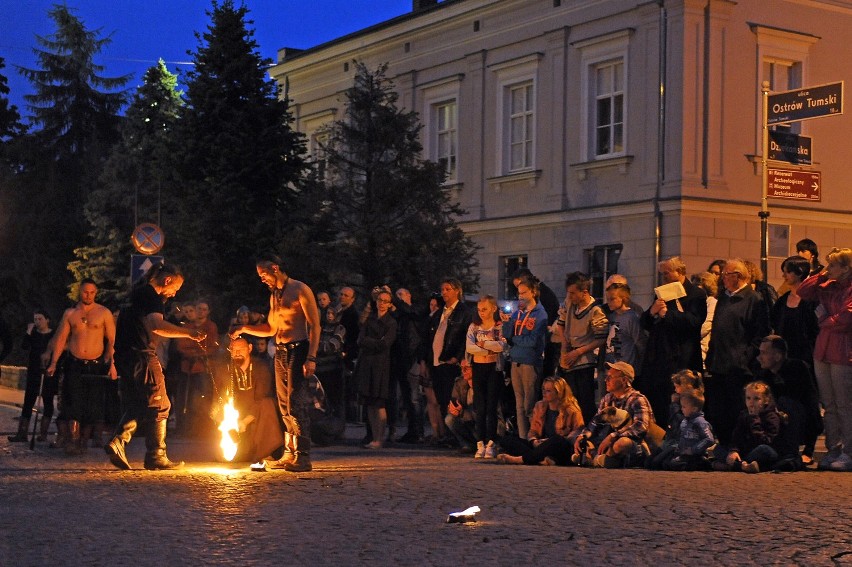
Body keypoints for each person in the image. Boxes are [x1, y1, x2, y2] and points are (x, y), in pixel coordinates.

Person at [106, 263, 205, 470]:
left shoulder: (135, 293)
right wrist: (189, 333)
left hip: (124, 355)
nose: (174, 293)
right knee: (160, 404)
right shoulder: (151, 296)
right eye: (175, 288)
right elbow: (157, 326)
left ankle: (118, 442)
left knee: (138, 403)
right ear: (167, 280)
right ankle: (156, 456)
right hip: (141, 355)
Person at [229, 254, 321, 472]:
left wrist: (311, 357)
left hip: (298, 350)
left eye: (263, 274)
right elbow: (270, 329)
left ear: (275, 268)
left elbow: (315, 326)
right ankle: (289, 452)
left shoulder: (300, 289)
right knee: (283, 403)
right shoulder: (274, 296)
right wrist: (244, 329)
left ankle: (303, 456)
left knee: (296, 403)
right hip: (279, 351)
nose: (262, 279)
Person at [47, 279, 117, 455]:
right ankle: (74, 440)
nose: (88, 295)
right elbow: (62, 338)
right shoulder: (70, 313)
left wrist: (113, 365)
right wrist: (54, 362)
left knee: (92, 403)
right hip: (75, 362)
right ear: (80, 291)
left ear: (96, 293)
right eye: (86, 292)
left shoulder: (104, 313)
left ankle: (85, 440)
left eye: (92, 292)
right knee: (74, 402)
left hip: (95, 364)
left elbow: (112, 340)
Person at [797, 247, 852, 471]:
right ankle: (833, 449)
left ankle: (848, 451)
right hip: (823, 349)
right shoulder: (827, 285)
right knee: (828, 404)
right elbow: (803, 290)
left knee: (844, 404)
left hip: (843, 351)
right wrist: (821, 274)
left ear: (846, 268)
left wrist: (825, 321)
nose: (828, 269)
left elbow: (846, 318)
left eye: (832, 265)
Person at [705, 258, 771, 444]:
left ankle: (739, 446)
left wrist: (745, 357)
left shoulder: (754, 300)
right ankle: (725, 445)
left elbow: (760, 333)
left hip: (739, 367)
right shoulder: (724, 298)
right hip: (719, 363)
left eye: (727, 274)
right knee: (719, 410)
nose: (723, 278)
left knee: (736, 409)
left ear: (739, 276)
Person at [638, 257, 706, 426]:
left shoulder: (696, 294)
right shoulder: (662, 292)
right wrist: (652, 312)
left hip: (682, 356)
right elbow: (646, 323)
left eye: (667, 273)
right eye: (662, 274)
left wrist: (667, 315)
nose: (664, 277)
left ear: (680, 272)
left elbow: (693, 322)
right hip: (660, 356)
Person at [572, 361, 654, 468]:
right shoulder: (607, 399)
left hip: (633, 444)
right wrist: (582, 436)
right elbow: (595, 422)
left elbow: (641, 426)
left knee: (622, 443)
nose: (606, 380)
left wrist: (614, 436)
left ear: (624, 380)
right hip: (608, 442)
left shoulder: (638, 399)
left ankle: (599, 459)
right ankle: (602, 459)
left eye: (610, 377)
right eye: (606, 377)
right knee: (585, 443)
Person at [757, 335, 822, 467]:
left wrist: (808, 450)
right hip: (776, 423)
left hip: (800, 421)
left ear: (777, 356)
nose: (760, 357)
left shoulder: (797, 369)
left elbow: (810, 403)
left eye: (764, 353)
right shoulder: (764, 375)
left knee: (785, 403)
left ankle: (791, 454)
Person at [497, 376, 583, 466]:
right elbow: (533, 431)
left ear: (559, 393)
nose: (544, 393)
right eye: (543, 389)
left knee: (557, 440)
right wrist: (534, 441)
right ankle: (539, 460)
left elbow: (577, 433)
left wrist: (548, 441)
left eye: (548, 391)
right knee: (507, 440)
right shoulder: (540, 406)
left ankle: (520, 460)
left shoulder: (571, 410)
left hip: (560, 447)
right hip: (541, 446)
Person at [502, 275, 548, 439]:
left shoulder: (540, 314)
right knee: (519, 405)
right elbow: (507, 335)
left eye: (524, 292)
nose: (520, 296)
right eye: (518, 293)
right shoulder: (518, 313)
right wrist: (507, 323)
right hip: (516, 362)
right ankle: (523, 439)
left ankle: (533, 438)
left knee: (529, 405)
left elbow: (533, 341)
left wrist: (514, 339)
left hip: (530, 362)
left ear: (533, 292)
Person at [559, 271, 609, 424]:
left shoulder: (596, 311)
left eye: (573, 293)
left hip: (584, 361)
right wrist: (564, 347)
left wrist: (578, 352)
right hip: (568, 357)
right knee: (568, 400)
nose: (571, 297)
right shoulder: (570, 304)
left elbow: (601, 339)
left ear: (584, 292)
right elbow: (561, 324)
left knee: (584, 402)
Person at [426, 278, 471, 442]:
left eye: (447, 289)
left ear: (457, 290)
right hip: (437, 362)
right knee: (441, 398)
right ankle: (446, 434)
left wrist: (456, 357)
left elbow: (466, 336)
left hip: (450, 362)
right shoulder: (440, 313)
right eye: (442, 289)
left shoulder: (463, 312)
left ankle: (455, 435)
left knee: (452, 399)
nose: (444, 292)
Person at [718, 381, 798, 474]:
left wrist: (754, 419)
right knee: (718, 448)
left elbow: (765, 441)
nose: (751, 402)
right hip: (747, 451)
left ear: (766, 400)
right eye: (748, 398)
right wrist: (733, 451)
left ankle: (734, 465)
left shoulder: (772, 417)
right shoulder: (744, 414)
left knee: (764, 450)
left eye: (756, 399)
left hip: (766, 449)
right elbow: (737, 436)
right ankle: (742, 465)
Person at [227, 338, 284, 463]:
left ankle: (269, 451)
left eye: (241, 349)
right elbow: (221, 397)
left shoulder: (260, 367)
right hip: (239, 414)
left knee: (267, 404)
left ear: (250, 348)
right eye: (234, 350)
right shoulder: (227, 369)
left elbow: (261, 397)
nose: (237, 353)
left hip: (257, 413)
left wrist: (245, 422)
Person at [356, 288, 397, 449]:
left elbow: (385, 343)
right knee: (370, 402)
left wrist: (370, 342)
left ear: (390, 304)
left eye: (385, 301)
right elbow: (360, 340)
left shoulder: (391, 322)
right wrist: (374, 342)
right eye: (380, 300)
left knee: (379, 402)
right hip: (367, 363)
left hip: (381, 364)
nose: (382, 304)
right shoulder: (370, 319)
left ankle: (380, 437)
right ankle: (373, 436)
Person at [465, 295, 506, 459]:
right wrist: (488, 349)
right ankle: (480, 442)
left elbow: (501, 346)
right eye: (479, 309)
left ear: (493, 308)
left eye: (485, 309)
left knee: (491, 407)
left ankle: (491, 442)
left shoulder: (499, 326)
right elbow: (470, 347)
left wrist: (483, 345)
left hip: (493, 369)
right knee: (479, 407)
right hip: (478, 367)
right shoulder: (474, 327)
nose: (481, 312)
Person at [8, 309, 55, 443]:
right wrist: (28, 332)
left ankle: (43, 433)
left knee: (48, 400)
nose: (37, 322)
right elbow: (24, 346)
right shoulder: (33, 334)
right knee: (28, 401)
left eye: (40, 319)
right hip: (33, 370)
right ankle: (22, 433)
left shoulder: (53, 335)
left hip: (48, 372)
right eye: (35, 319)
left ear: (47, 320)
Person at [771, 255, 819, 369]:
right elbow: (775, 324)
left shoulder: (812, 300)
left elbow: (815, 330)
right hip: (784, 355)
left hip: (806, 357)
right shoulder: (782, 301)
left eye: (787, 272)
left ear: (799, 273)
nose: (783, 276)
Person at [659, 390, 715, 471]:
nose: (681, 409)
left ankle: (702, 463)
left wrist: (693, 450)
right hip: (684, 453)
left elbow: (709, 439)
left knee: (676, 464)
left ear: (694, 409)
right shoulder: (685, 421)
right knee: (666, 463)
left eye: (684, 407)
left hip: (696, 454)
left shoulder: (700, 422)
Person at [603, 282, 643, 369]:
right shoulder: (612, 316)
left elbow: (640, 343)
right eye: (607, 299)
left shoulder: (631, 318)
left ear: (624, 299)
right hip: (613, 366)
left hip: (626, 367)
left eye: (612, 299)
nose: (608, 302)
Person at [444, 360, 478, 453]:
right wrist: (453, 409)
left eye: (466, 368)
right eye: (461, 368)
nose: (463, 371)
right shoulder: (459, 383)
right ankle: (467, 444)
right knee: (449, 419)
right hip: (467, 420)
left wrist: (462, 411)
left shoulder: (482, 383)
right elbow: (454, 401)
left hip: (480, 422)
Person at [689, 271, 718, 369]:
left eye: (698, 285)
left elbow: (704, 328)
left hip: (704, 354)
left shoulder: (712, 303)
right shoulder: (694, 302)